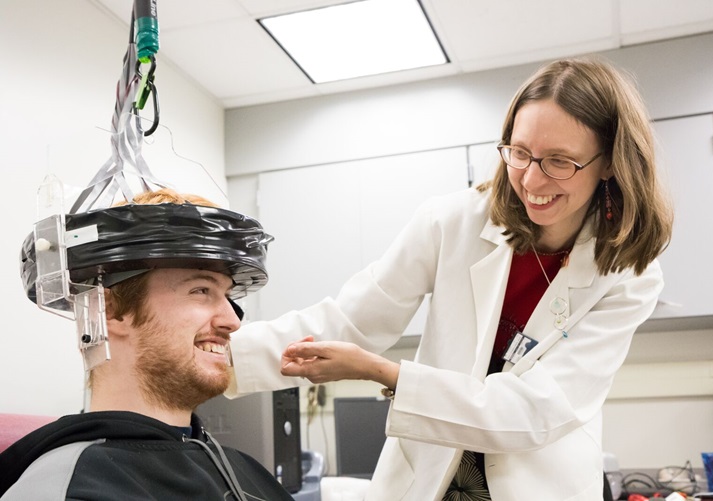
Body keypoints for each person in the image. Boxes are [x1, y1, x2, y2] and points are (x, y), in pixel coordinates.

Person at [225, 57, 673, 500]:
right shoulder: (451, 222)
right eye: (520, 153)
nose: (531, 179)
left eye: (559, 161)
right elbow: (351, 320)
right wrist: (223, 360)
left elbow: (534, 411)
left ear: (610, 161)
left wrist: (383, 372)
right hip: (431, 477)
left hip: (540, 484)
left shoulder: (629, 276)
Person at [0, 189, 293, 501]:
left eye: (228, 296)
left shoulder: (243, 471)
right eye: (201, 290)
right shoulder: (70, 489)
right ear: (111, 311)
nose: (232, 321)